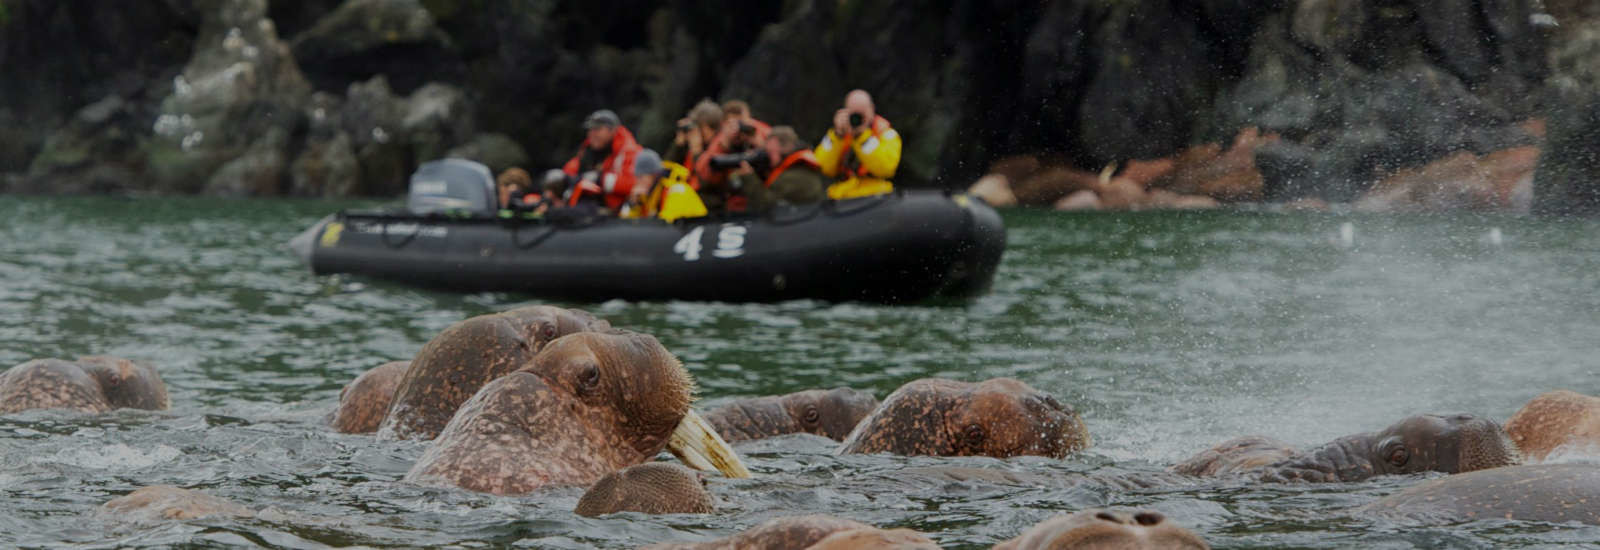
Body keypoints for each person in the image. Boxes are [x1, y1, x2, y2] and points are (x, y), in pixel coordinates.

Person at [814, 89, 901, 200]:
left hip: (875, 198)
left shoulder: (887, 134)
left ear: (872, 109)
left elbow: (886, 169)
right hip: (842, 197)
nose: (857, 118)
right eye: (853, 113)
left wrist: (861, 137)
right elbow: (822, 167)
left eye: (861, 113)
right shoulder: (838, 134)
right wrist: (837, 136)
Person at [730, 126, 826, 213]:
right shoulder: (792, 168)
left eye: (770, 152)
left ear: (786, 148)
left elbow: (765, 204)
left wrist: (749, 177)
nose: (767, 156)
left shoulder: (797, 175)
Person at [560, 109, 642, 212]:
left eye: (597, 129)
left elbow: (635, 184)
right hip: (590, 206)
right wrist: (562, 180)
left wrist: (600, 179)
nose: (592, 134)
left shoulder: (629, 151)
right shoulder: (589, 150)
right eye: (590, 129)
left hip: (618, 212)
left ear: (612, 130)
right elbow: (571, 169)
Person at [664, 100, 722, 183]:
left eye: (701, 128)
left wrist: (697, 153)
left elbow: (705, 182)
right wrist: (678, 146)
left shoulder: (718, 149)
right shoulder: (688, 148)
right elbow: (666, 172)